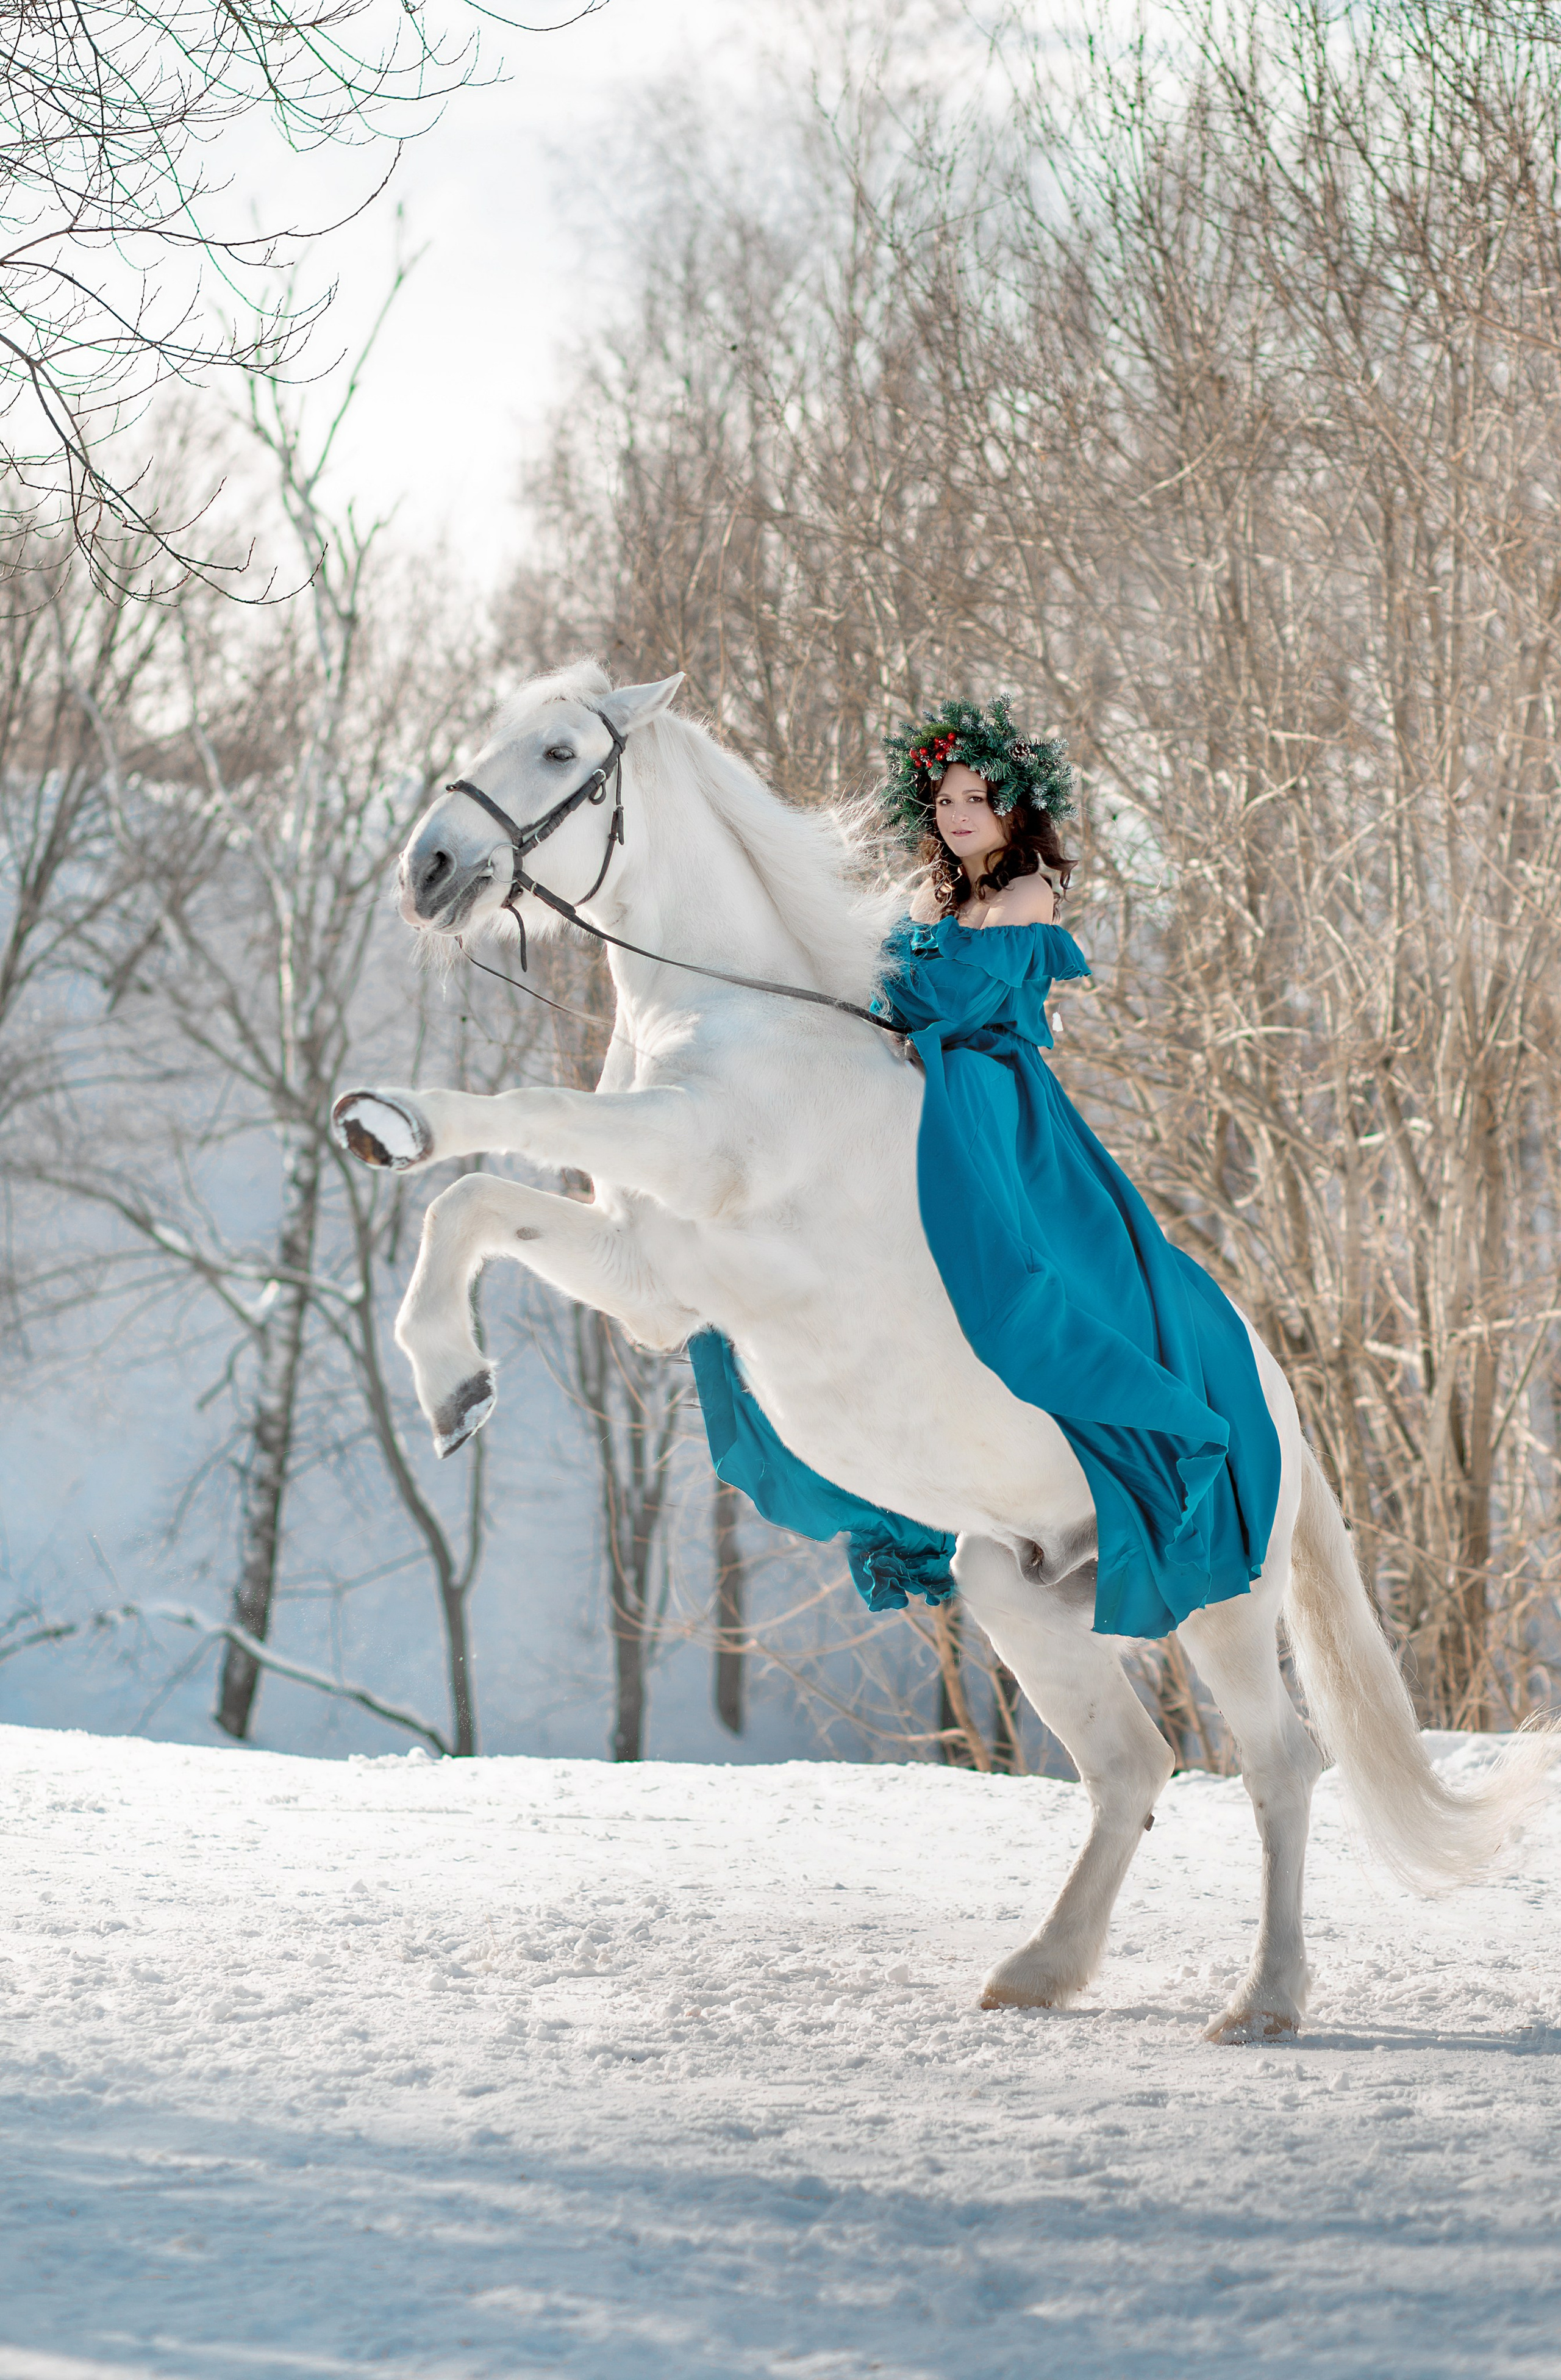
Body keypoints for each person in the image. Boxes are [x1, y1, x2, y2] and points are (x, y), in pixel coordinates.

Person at [690, 697, 1279, 1641]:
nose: (958, 813)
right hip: (918, 1081)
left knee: (1023, 1284)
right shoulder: (930, 896)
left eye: (977, 797)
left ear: (1013, 810)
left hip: (988, 1096)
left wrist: (872, 975)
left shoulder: (1026, 895)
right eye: (945, 799)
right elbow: (878, 988)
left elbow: (947, 997)